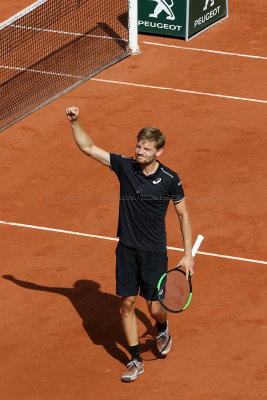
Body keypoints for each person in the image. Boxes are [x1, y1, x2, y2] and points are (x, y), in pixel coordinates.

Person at [66, 106, 194, 382]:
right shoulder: (125, 167)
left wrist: (187, 256)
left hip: (154, 253)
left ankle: (162, 327)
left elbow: (183, 215)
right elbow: (89, 148)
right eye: (138, 146)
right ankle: (135, 359)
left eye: (146, 149)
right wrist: (76, 122)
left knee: (154, 308)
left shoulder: (170, 179)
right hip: (126, 249)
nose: (139, 152)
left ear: (159, 152)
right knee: (126, 304)